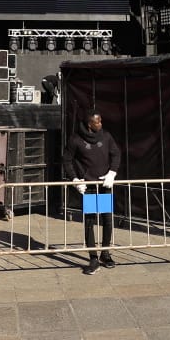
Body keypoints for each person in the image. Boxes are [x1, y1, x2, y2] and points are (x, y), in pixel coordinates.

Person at [63, 112, 120, 275]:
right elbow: (66, 159)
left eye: (101, 120)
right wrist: (75, 180)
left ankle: (105, 252)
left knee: (107, 219)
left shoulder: (106, 137)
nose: (100, 123)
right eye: (97, 121)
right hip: (88, 186)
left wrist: (112, 173)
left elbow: (116, 154)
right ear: (89, 124)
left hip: (104, 184)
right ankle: (93, 258)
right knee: (90, 221)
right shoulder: (76, 140)